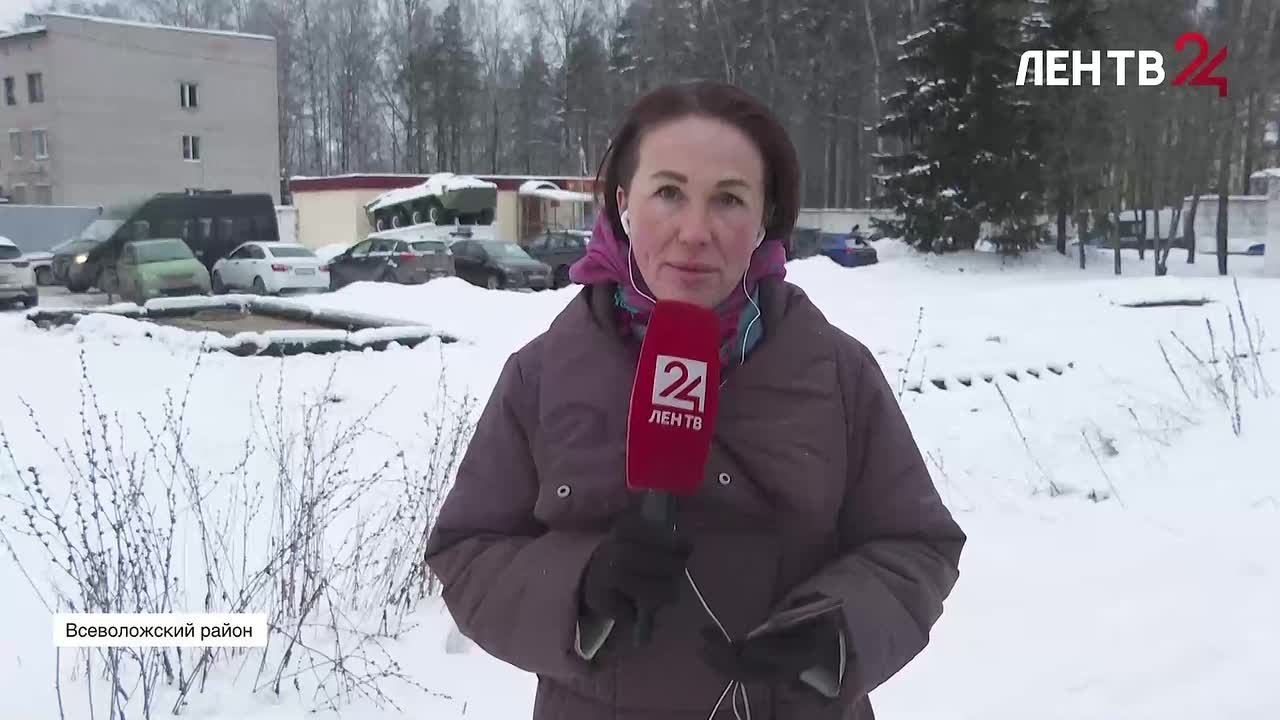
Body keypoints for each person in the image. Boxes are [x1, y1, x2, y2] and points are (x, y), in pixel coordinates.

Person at [424, 81, 965, 720]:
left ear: (765, 217)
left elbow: (916, 543)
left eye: (729, 199)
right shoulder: (543, 375)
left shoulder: (835, 371)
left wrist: (836, 632)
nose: (695, 231)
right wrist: (579, 586)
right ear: (623, 204)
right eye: (669, 193)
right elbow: (468, 550)